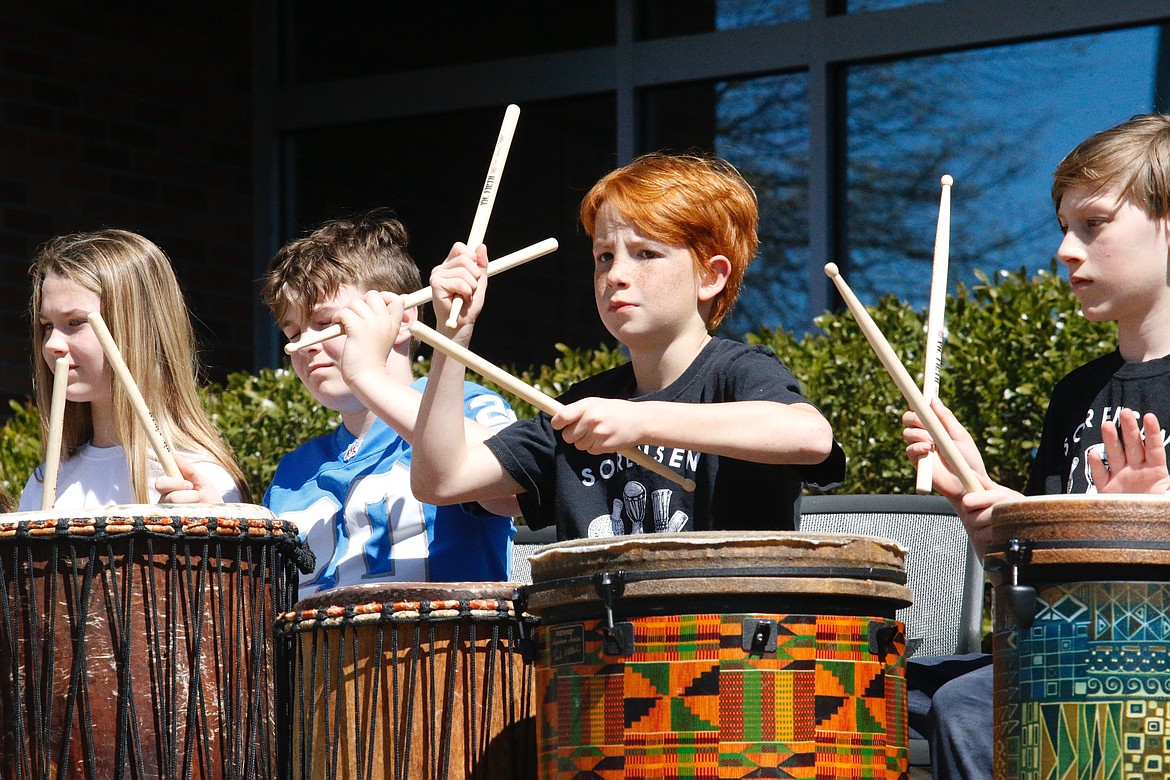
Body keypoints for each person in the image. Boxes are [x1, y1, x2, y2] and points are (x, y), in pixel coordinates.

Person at [902, 113, 1170, 779]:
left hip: (1149, 658)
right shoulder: (1076, 396)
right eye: (1063, 227)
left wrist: (1141, 530)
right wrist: (980, 501)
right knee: (881, 690)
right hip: (1073, 643)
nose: (1065, 250)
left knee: (973, 705)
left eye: (1094, 224)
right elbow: (1033, 586)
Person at [401, 153, 845, 538]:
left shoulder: (736, 371)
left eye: (646, 253)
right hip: (605, 634)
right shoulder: (584, 408)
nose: (615, 274)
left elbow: (809, 435)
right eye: (604, 257)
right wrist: (451, 335)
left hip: (727, 632)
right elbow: (441, 479)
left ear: (711, 276)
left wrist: (640, 420)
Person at [260, 208, 517, 598]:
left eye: (327, 323)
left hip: (445, 651)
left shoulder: (467, 407)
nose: (301, 346)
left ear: (401, 318)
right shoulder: (293, 470)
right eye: (292, 331)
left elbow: (516, 491)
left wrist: (370, 376)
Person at [19, 229, 248, 511]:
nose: (52, 344)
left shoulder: (198, 483)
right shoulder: (45, 483)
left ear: (136, 330)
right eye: (47, 326)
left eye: (75, 322)